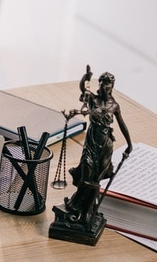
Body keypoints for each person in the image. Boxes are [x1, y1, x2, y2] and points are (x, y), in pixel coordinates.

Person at [54, 67, 133, 227]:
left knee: (96, 180)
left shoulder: (114, 106)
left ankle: (88, 211)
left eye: (108, 85)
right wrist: (87, 76)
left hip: (105, 145)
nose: (105, 88)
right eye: (102, 84)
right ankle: (76, 207)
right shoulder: (92, 99)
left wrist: (129, 144)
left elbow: (122, 125)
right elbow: (83, 87)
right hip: (91, 142)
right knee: (86, 174)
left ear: (112, 86)